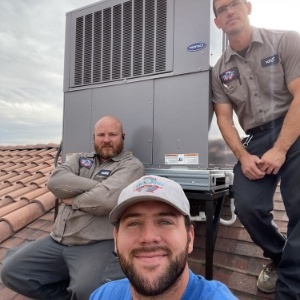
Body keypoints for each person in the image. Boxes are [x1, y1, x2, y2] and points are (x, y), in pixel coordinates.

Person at [1, 115, 145, 300]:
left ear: (123, 136)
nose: (106, 139)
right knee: (12, 272)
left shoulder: (131, 166)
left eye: (113, 134)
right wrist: (100, 187)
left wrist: (73, 199)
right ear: (94, 137)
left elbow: (105, 202)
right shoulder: (80, 159)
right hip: (57, 240)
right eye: (101, 134)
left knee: (88, 290)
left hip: (94, 244)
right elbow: (55, 182)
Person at [211, 0, 300, 298]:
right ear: (217, 23)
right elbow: (224, 119)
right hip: (255, 140)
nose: (229, 11)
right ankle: (280, 255)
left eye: (233, 4)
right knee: (248, 206)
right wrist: (242, 155)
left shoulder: (286, 40)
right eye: (221, 10)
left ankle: (289, 288)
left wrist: (281, 148)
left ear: (248, 7)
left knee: (298, 204)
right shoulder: (219, 70)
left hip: (294, 130)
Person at [90, 175, 238, 300]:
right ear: (116, 238)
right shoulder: (103, 295)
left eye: (165, 222)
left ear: (190, 237)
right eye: (133, 223)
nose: (148, 237)